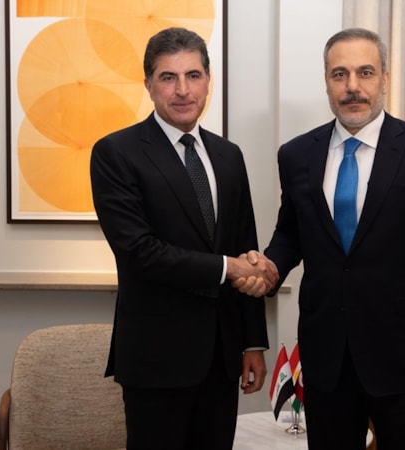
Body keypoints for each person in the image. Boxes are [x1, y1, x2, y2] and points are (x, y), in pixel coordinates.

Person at [262, 28, 405, 449]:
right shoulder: (296, 155)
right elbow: (291, 232)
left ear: (385, 79)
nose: (352, 86)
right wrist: (267, 268)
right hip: (326, 356)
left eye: (365, 72)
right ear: (326, 82)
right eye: (339, 74)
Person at [90, 27, 278, 450]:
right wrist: (229, 268)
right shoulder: (116, 153)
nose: (182, 90)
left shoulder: (228, 155)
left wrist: (252, 342)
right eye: (168, 77)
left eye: (193, 75)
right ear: (148, 85)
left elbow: (245, 245)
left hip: (222, 359)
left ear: (208, 81)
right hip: (156, 360)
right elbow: (139, 251)